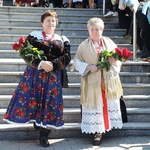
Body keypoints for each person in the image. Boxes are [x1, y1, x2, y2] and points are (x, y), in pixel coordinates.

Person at [3, 10, 71, 147]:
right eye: (48, 20)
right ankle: (37, 121)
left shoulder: (63, 39)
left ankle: (44, 135)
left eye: (53, 21)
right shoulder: (34, 36)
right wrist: (40, 63)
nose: (51, 23)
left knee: (51, 102)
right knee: (32, 100)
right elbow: (25, 53)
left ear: (56, 23)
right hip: (35, 74)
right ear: (42, 22)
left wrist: (53, 64)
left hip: (53, 75)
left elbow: (67, 57)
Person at [74, 17, 123, 145]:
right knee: (95, 105)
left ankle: (107, 126)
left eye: (98, 29)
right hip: (92, 83)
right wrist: (88, 67)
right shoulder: (83, 45)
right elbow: (77, 62)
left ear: (102, 30)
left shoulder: (110, 43)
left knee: (107, 104)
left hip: (108, 81)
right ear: (88, 30)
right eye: (92, 29)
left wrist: (114, 62)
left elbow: (118, 58)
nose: (95, 32)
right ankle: (97, 132)